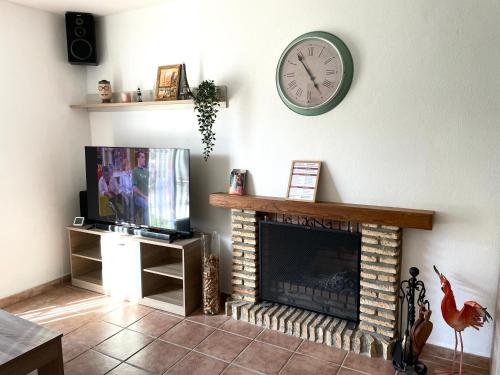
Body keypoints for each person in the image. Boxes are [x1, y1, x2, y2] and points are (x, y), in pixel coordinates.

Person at [133, 150, 149, 225]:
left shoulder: (147, 171)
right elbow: (134, 188)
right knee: (147, 206)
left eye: (144, 157)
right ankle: (147, 227)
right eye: (142, 157)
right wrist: (145, 196)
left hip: (148, 197)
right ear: (138, 159)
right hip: (138, 198)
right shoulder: (135, 171)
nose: (144, 159)